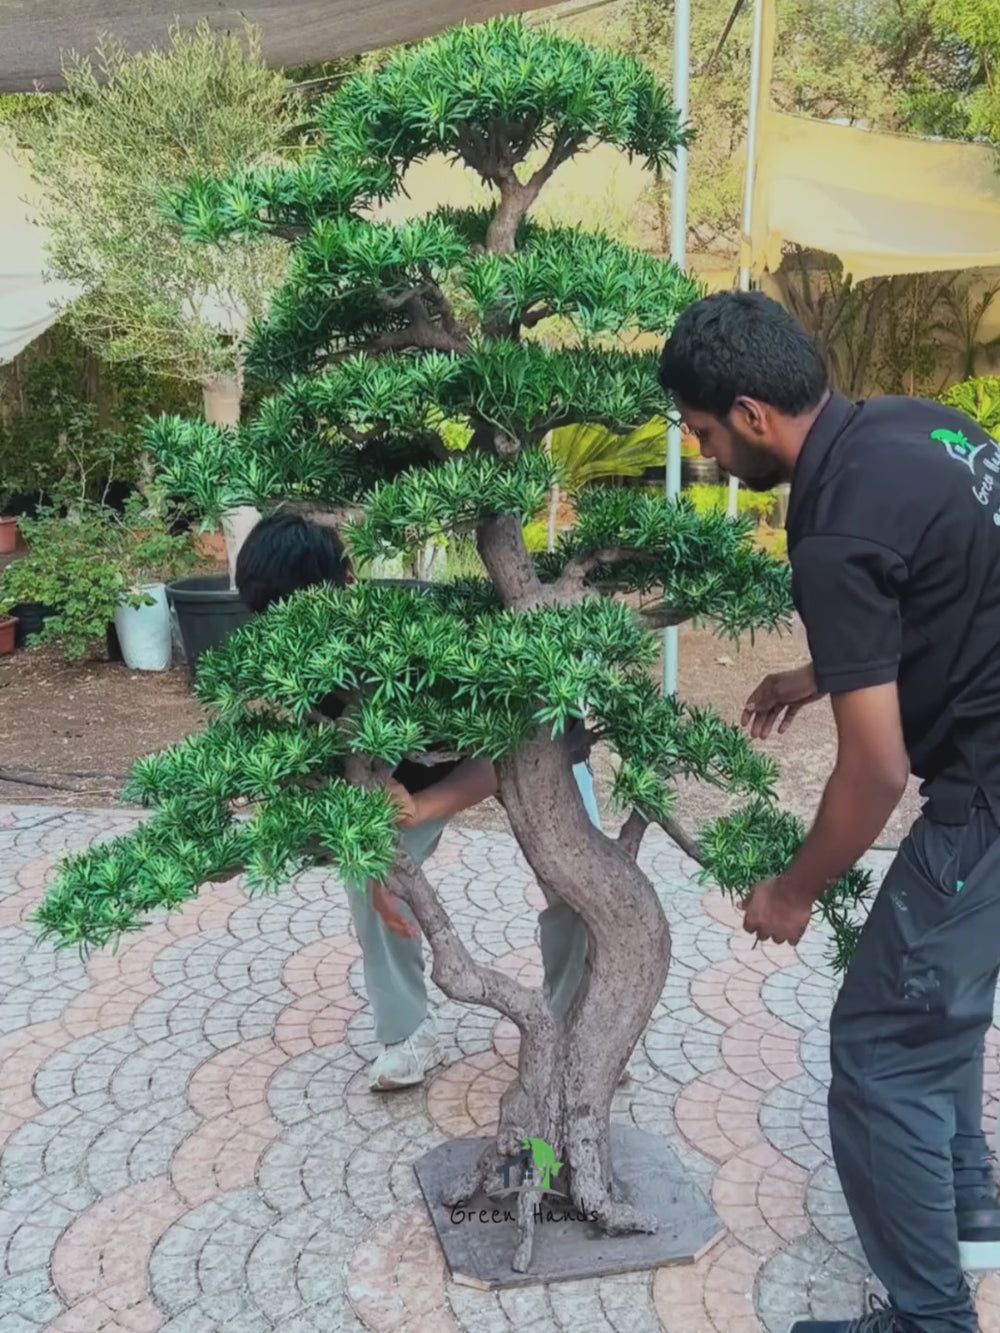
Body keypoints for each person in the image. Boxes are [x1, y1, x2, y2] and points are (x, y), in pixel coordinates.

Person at [658, 290, 1000, 1333]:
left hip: (987, 793)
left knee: (881, 1039)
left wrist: (793, 888)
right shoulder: (925, 423)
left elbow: (876, 769)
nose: (700, 448)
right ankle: (967, 1199)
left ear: (755, 413)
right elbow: (955, 586)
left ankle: (927, 1319)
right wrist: (822, 671)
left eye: (705, 430)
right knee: (939, 983)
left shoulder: (833, 523)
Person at [234, 511, 595, 1091]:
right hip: (414, 772)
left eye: (297, 614)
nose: (282, 635)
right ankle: (407, 1031)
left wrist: (422, 809)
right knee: (366, 874)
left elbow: (504, 761)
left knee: (580, 881)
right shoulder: (301, 671)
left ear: (347, 582)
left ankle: (577, 1020)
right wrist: (377, 856)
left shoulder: (435, 646)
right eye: (267, 616)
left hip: (539, 742)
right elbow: (352, 779)